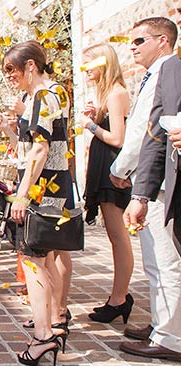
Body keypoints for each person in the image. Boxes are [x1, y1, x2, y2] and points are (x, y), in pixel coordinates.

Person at [2, 41, 71, 366]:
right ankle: (53, 323)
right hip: (49, 187)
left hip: (44, 190)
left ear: (31, 66)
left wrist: (22, 194)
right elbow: (31, 147)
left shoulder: (44, 96)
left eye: (11, 70)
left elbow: (41, 151)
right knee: (40, 259)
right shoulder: (42, 97)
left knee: (33, 260)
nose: (9, 77)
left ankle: (44, 334)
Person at [121, 16, 181, 361]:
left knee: (163, 261)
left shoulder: (169, 70)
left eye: (139, 41)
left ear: (163, 40)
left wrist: (133, 181)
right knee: (156, 261)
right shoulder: (158, 74)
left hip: (161, 184)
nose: (132, 47)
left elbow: (151, 134)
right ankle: (163, 323)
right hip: (153, 181)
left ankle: (170, 336)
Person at [76, 44, 135, 323]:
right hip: (104, 166)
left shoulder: (116, 92)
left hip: (112, 168)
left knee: (117, 235)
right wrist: (95, 116)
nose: (86, 70)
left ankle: (120, 298)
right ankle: (117, 296)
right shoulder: (107, 94)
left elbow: (117, 139)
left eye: (90, 64)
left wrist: (90, 126)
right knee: (114, 235)